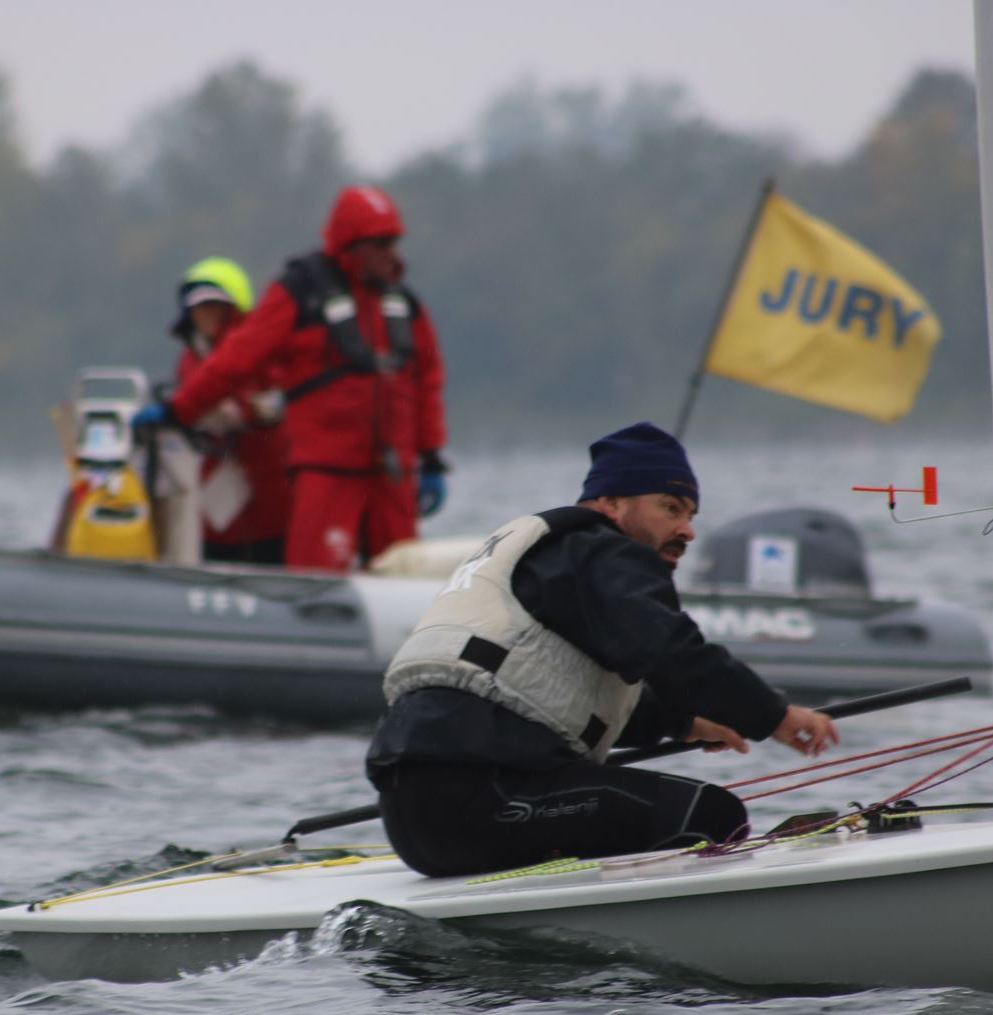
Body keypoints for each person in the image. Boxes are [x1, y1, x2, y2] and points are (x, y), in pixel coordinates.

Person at [366, 421, 841, 878]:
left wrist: (684, 723)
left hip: (413, 820)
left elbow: (551, 697)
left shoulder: (556, 559)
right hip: (484, 799)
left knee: (657, 808)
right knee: (711, 815)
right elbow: (673, 652)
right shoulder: (602, 551)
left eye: (691, 516)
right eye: (670, 508)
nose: (688, 530)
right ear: (611, 504)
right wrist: (774, 716)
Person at [156, 184, 449, 571]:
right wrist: (178, 411)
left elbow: (427, 380)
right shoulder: (299, 292)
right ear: (351, 244)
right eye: (379, 244)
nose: (390, 254)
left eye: (393, 243)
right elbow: (237, 359)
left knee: (404, 573)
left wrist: (432, 458)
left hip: (393, 473)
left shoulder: (403, 304)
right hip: (327, 471)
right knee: (315, 573)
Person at [166, 257, 290, 564]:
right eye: (199, 307)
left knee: (270, 554)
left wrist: (245, 410)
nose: (207, 314)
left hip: (268, 483)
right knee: (216, 552)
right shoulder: (190, 356)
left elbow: (281, 399)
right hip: (215, 486)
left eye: (215, 305)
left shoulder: (264, 351)